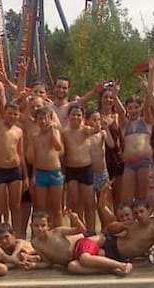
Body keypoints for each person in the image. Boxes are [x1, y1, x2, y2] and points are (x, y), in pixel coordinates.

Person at [30, 211, 132, 276]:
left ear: (49, 225)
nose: (40, 229)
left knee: (84, 258)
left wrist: (76, 220)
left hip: (81, 245)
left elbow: (81, 230)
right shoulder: (35, 243)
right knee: (72, 267)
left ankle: (123, 265)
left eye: (43, 225)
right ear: (31, 226)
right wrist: (34, 265)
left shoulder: (58, 231)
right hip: (74, 259)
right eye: (36, 226)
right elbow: (48, 262)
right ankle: (109, 269)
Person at [0, 78, 27, 237]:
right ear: (5, 114)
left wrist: (25, 177)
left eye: (15, 114)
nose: (12, 116)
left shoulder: (19, 131)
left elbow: (21, 154)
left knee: (15, 206)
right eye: (9, 113)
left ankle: (16, 236)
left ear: (18, 115)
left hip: (15, 171)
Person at [28, 106, 64, 229]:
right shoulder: (35, 136)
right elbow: (31, 158)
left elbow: (58, 147)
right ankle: (43, 235)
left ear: (50, 119)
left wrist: (53, 130)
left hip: (55, 172)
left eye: (45, 118)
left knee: (56, 208)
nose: (43, 121)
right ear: (36, 120)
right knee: (41, 209)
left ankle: (59, 234)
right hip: (41, 173)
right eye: (40, 119)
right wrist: (33, 177)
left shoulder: (55, 132)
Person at [63, 105, 97, 234]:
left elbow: (96, 129)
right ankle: (77, 231)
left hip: (86, 168)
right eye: (73, 114)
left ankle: (91, 230)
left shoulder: (85, 130)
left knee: (89, 203)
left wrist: (98, 125)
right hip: (71, 170)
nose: (75, 117)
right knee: (74, 203)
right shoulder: (65, 132)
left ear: (83, 118)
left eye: (78, 115)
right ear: (69, 116)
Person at [116, 89, 154, 203]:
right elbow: (120, 112)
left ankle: (143, 219)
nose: (133, 110)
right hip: (129, 164)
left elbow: (147, 108)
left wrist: (147, 92)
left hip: (145, 162)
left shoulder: (146, 121)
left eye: (136, 107)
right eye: (130, 107)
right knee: (126, 199)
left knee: (143, 197)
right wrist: (115, 95)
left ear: (140, 108)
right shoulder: (124, 124)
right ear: (127, 109)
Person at [99, 87, 124, 209]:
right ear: (100, 99)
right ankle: (107, 226)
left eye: (111, 98)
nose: (108, 100)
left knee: (118, 196)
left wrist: (116, 95)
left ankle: (120, 225)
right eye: (105, 97)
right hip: (101, 159)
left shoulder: (116, 117)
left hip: (116, 158)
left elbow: (123, 112)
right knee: (104, 199)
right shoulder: (95, 116)